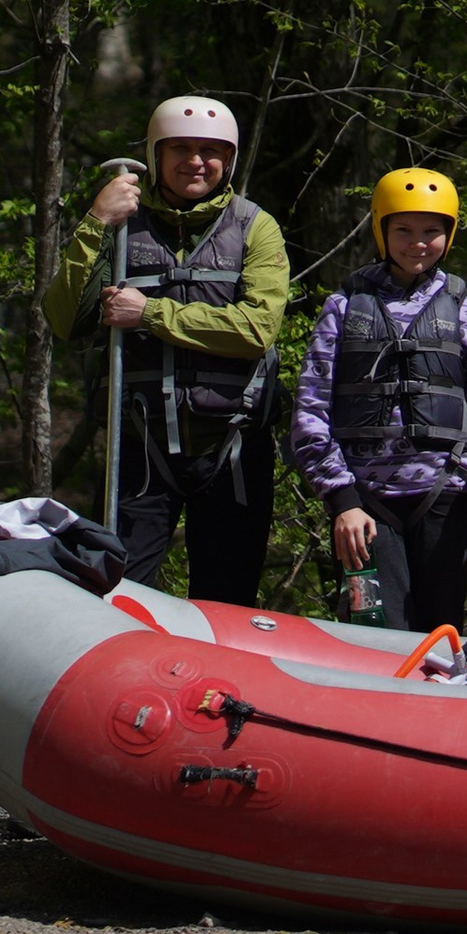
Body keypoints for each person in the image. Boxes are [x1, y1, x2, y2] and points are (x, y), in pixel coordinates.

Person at [44, 95, 289, 604]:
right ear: (156, 154)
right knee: (120, 596)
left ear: (230, 158)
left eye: (210, 150)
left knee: (227, 602)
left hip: (232, 446)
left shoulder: (255, 227)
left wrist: (151, 314)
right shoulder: (121, 222)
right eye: (181, 148)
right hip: (141, 443)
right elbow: (65, 320)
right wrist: (95, 222)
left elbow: (257, 329)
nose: (196, 161)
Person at [288, 168, 467, 634]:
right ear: (381, 230)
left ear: (448, 236)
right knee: (375, 631)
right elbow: (311, 412)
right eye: (403, 230)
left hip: (444, 496)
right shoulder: (344, 307)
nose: (418, 242)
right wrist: (342, 498)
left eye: (432, 231)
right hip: (365, 506)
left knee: (440, 631)